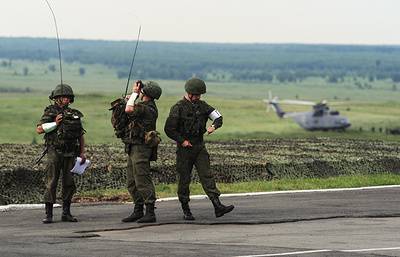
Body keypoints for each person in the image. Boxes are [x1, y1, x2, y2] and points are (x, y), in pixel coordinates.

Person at [164, 78, 234, 220]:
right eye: (196, 95)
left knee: (207, 175)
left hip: (199, 146)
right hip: (184, 149)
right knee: (184, 179)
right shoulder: (178, 108)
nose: (198, 97)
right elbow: (169, 129)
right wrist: (182, 141)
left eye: (200, 95)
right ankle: (186, 210)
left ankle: (217, 206)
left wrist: (213, 126)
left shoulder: (203, 106)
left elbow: (218, 117)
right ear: (189, 93)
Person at [36, 84, 86, 224]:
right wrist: (55, 123)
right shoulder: (50, 112)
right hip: (55, 152)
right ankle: (49, 214)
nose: (66, 99)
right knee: (51, 182)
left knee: (69, 183)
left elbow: (80, 135)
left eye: (68, 97)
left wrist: (82, 152)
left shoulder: (74, 114)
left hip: (70, 153)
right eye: (63, 97)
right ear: (57, 98)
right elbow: (39, 129)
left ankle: (66, 213)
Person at [121, 80, 162, 223]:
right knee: (131, 182)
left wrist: (134, 94)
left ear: (146, 93)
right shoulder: (144, 106)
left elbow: (129, 109)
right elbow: (128, 105)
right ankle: (138, 210)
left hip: (141, 149)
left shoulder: (148, 108)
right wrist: (131, 97)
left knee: (142, 180)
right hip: (133, 147)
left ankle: (150, 212)